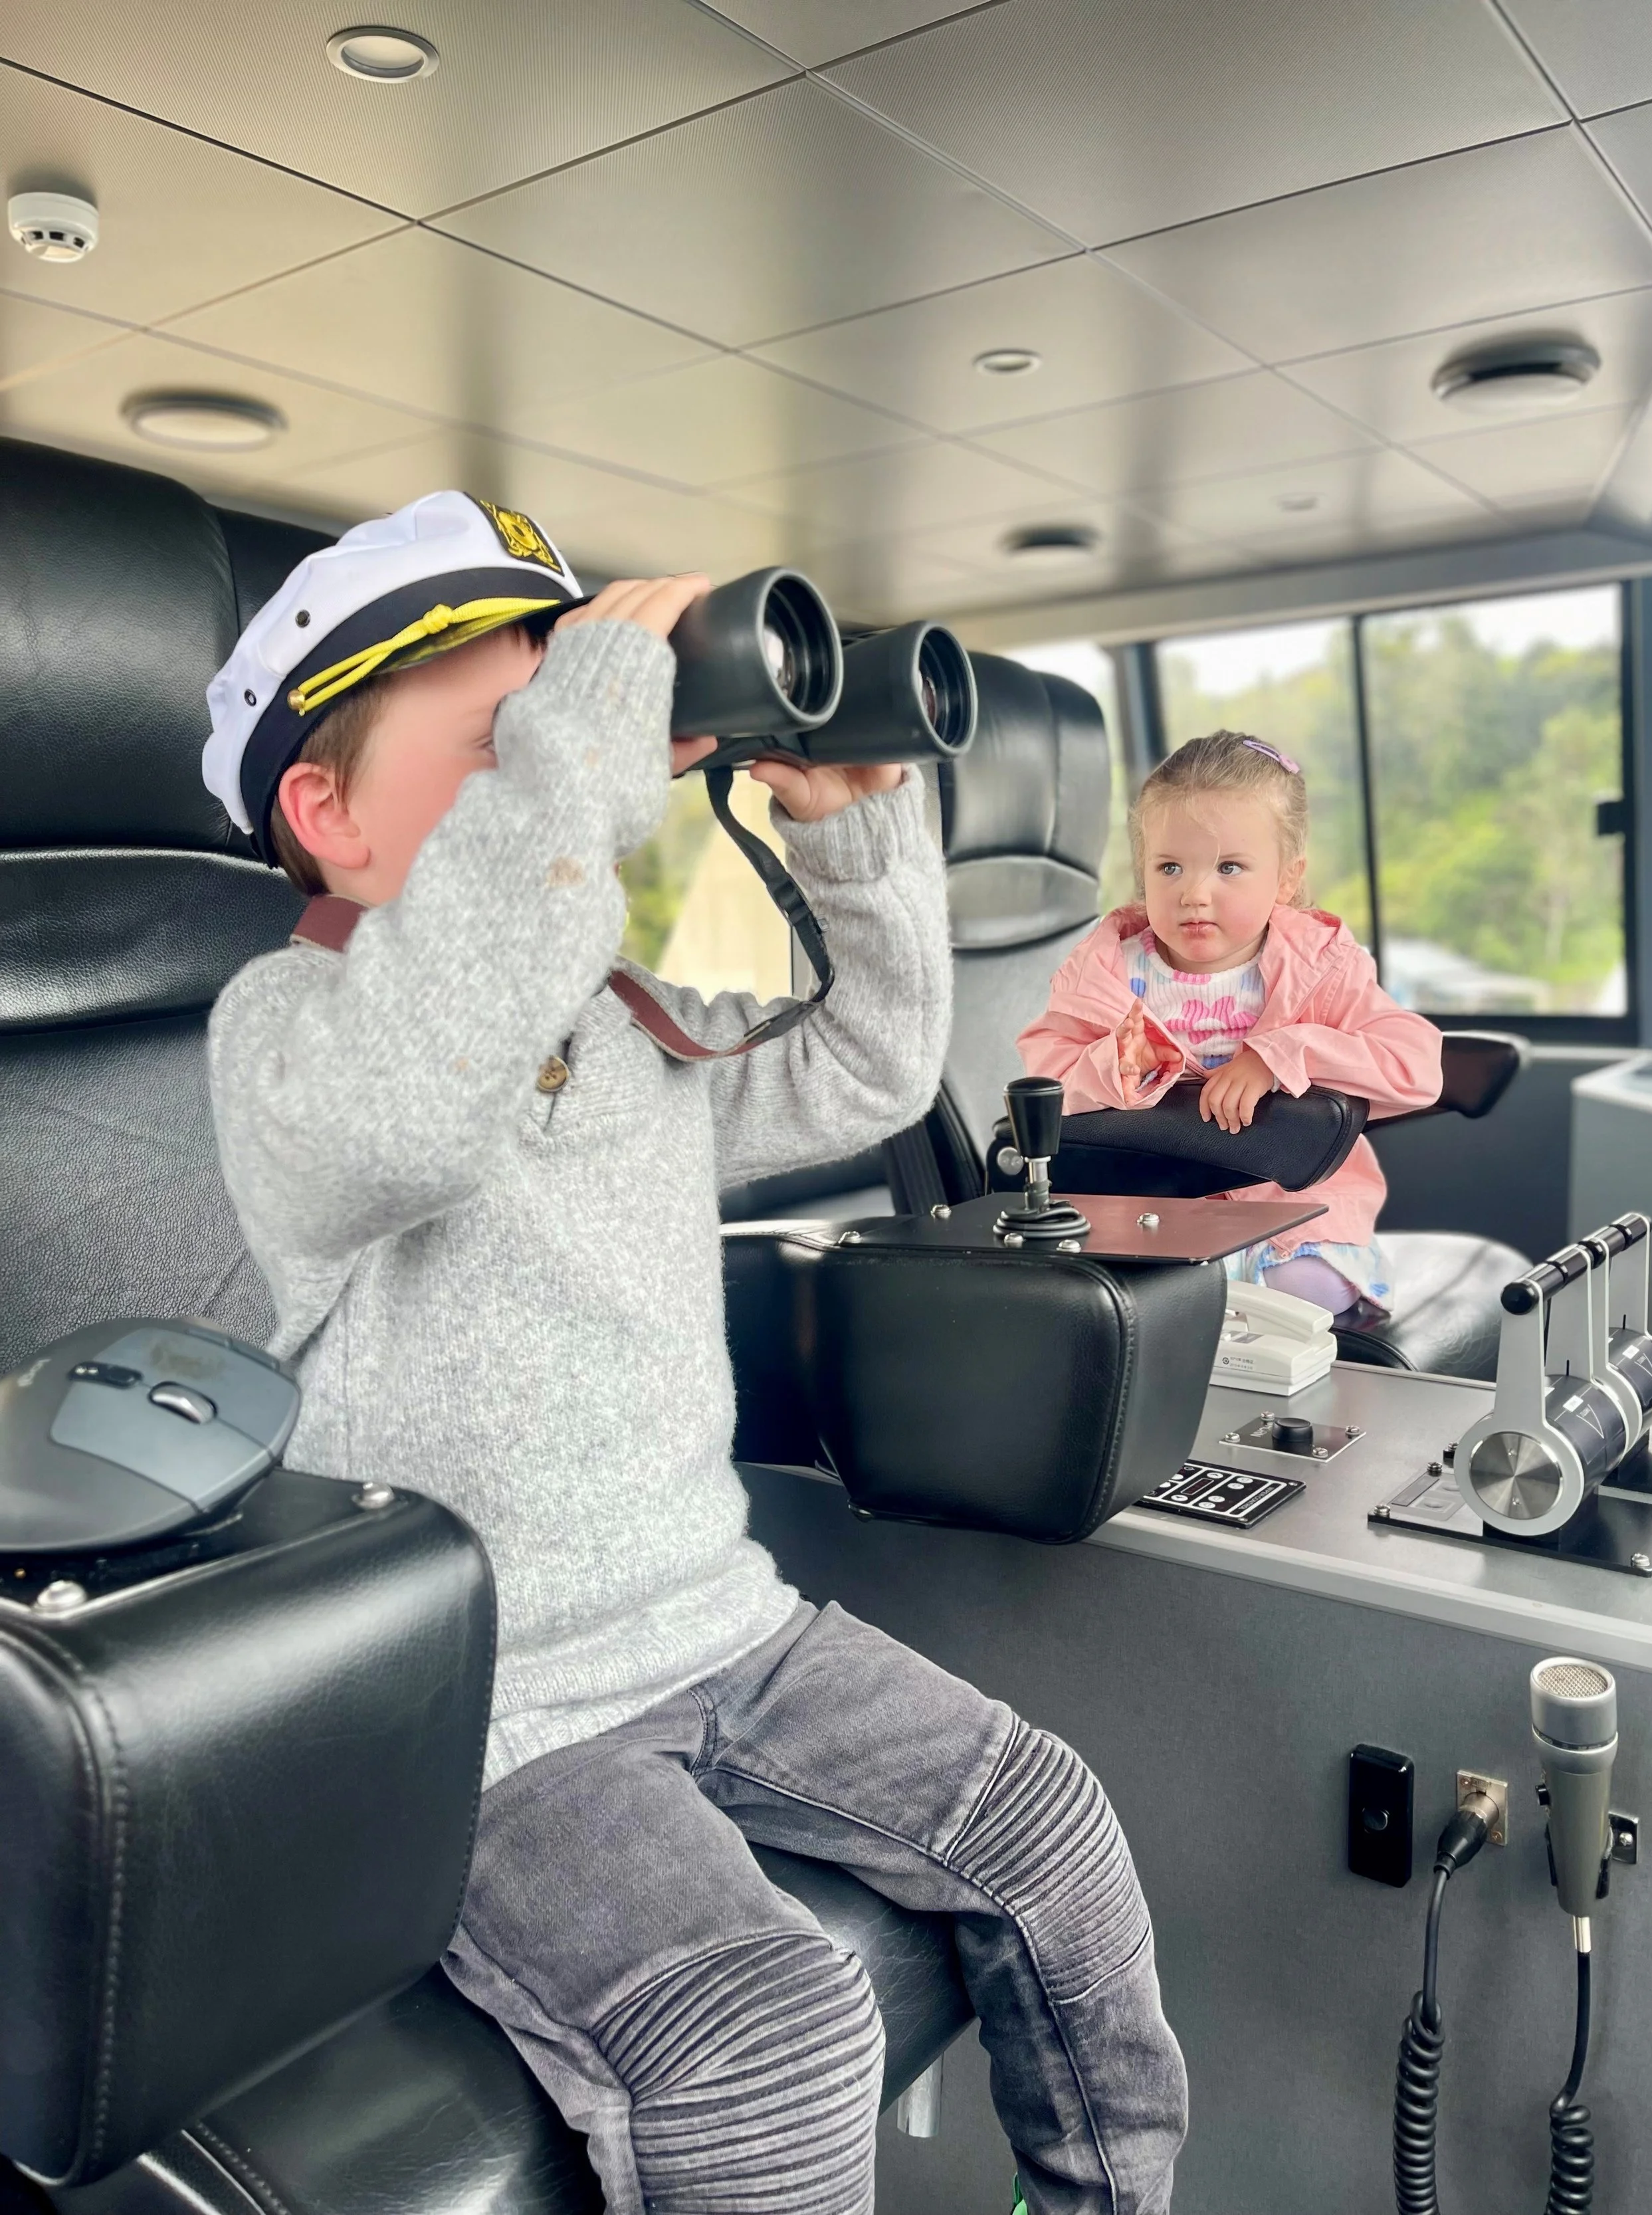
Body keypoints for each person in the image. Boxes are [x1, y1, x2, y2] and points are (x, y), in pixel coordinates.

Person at [202, 490, 1186, 2215]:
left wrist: (858, 835)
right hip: (496, 1709)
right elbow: (416, 1107)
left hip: (726, 1627)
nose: (576, 770)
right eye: (501, 741)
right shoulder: (288, 1032)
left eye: (577, 732)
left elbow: (874, 1067)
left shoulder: (628, 1019)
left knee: (1053, 1826)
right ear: (323, 814)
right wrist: (570, 762)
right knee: (772, 2025)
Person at [1017, 730, 1442, 1316]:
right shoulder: (1106, 970)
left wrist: (1285, 1053)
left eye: (1229, 867)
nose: (1194, 892)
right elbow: (1046, 1070)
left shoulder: (1320, 968)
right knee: (1148, 1298)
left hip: (1288, 1209)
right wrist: (1115, 1063)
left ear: (1286, 879)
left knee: (1307, 1293)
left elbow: (1416, 1064)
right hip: (1150, 1212)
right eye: (1169, 867)